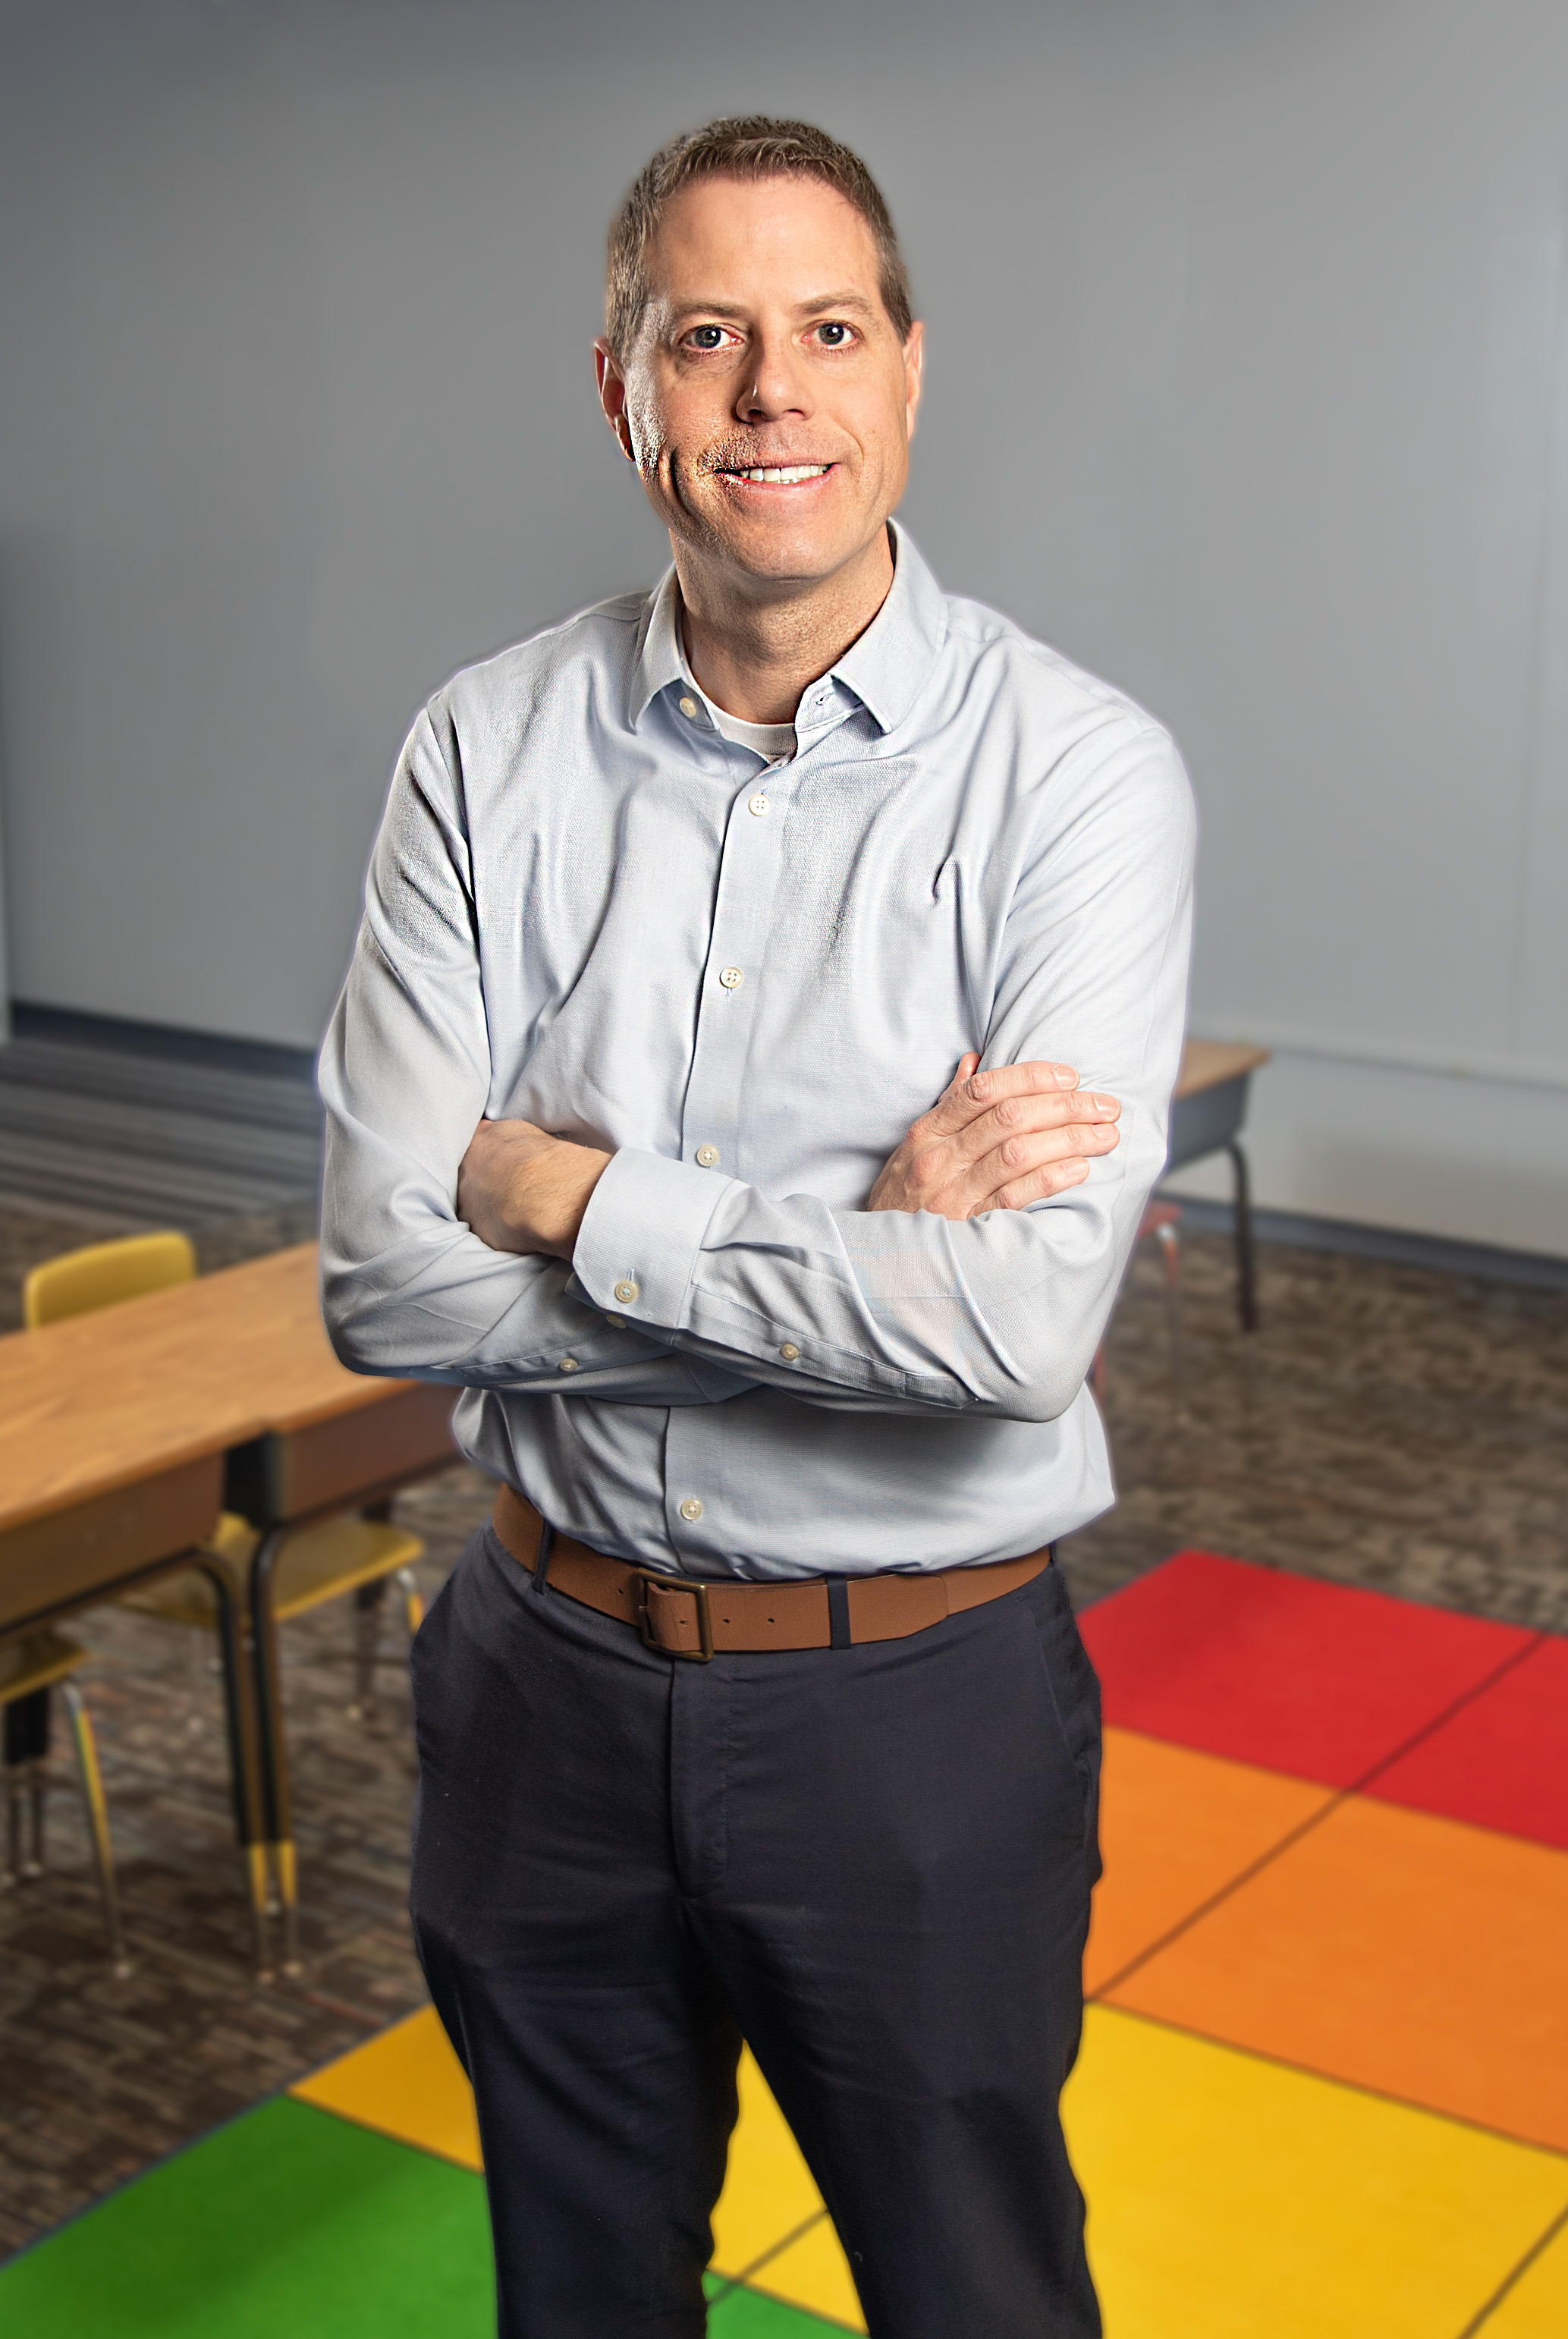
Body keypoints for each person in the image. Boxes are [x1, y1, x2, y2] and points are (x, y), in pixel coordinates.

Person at [320, 115, 1193, 2339]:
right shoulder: (482, 750)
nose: (771, 391)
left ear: (911, 366)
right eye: (706, 337)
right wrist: (857, 1261)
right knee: (579, 2299)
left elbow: (1015, 1339)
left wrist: (574, 1193)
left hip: (915, 1717)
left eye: (827, 331)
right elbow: (384, 1279)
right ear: (621, 386)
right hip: (542, 1682)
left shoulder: (1079, 779)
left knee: (977, 2298)